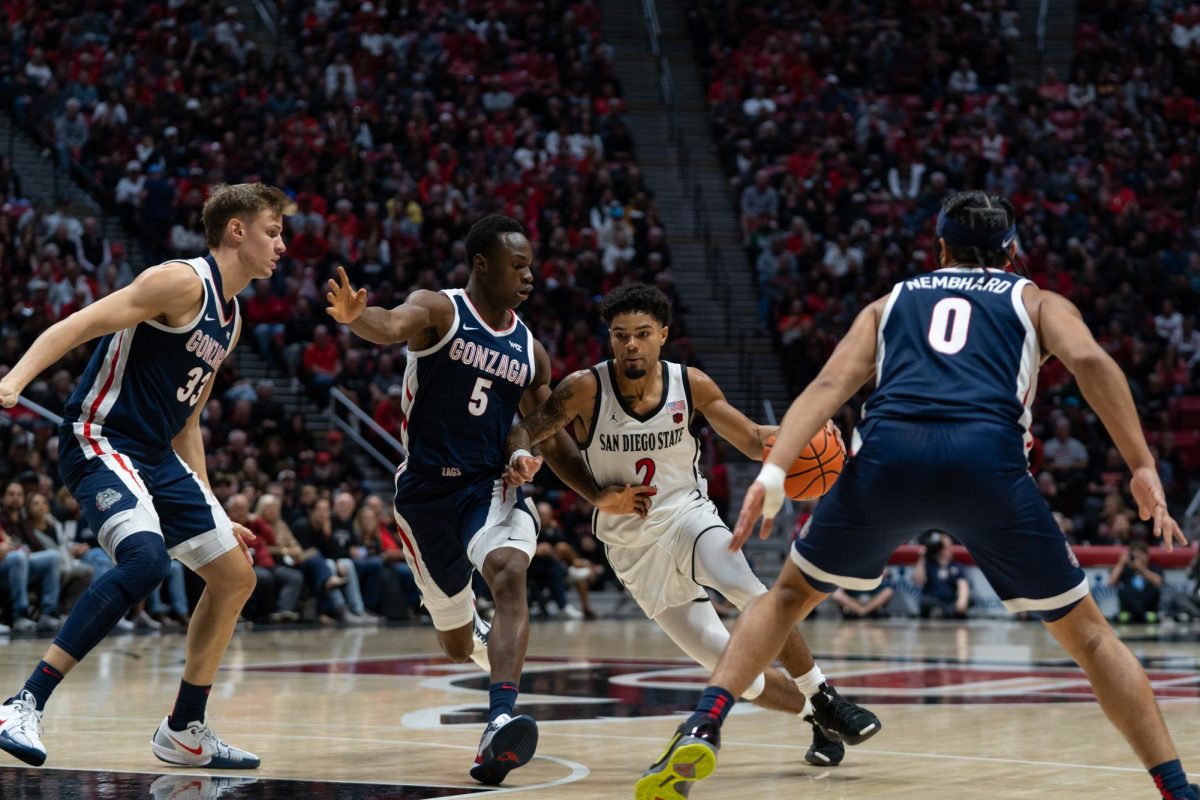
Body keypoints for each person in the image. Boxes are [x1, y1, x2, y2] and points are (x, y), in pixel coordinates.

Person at [640, 191, 1198, 800]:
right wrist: (1141, 465)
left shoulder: (891, 302)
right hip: (987, 461)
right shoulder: (1034, 298)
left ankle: (706, 720)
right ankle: (1175, 788)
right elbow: (1090, 359)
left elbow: (830, 384)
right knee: (1089, 636)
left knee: (787, 598)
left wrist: (772, 475)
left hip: (889, 457)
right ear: (1011, 253)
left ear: (939, 249)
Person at [324, 214, 645, 786]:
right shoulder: (439, 310)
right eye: (516, 266)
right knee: (452, 643)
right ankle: (476, 641)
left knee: (508, 573)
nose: (528, 277)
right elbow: (389, 322)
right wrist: (356, 318)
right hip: (423, 495)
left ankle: (500, 717)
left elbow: (552, 433)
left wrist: (597, 494)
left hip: (487, 486)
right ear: (482, 265)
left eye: (530, 267)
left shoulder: (530, 351)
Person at [505, 282, 880, 770]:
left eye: (642, 333)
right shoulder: (583, 388)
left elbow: (750, 439)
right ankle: (816, 717)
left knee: (746, 587)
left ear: (663, 334)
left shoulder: (692, 384)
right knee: (738, 674)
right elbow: (527, 430)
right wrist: (559, 475)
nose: (631, 345)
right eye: (620, 336)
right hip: (632, 548)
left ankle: (824, 694)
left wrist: (795, 437)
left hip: (689, 515)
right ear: (610, 339)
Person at [0, 182, 294, 769]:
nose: (282, 245)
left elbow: (187, 421)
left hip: (157, 453)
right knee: (146, 560)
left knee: (235, 578)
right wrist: (14, 380)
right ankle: (22, 702)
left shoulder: (231, 318)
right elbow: (79, 325)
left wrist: (210, 505)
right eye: (273, 231)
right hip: (100, 436)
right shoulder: (180, 281)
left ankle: (184, 729)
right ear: (236, 230)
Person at [912, 532, 971, 619]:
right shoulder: (929, 564)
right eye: (942, 546)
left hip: (951, 601)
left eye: (947, 546)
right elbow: (919, 580)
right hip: (933, 600)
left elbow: (963, 584)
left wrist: (962, 600)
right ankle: (947, 613)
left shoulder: (956, 566)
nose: (945, 549)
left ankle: (943, 613)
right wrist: (922, 557)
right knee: (924, 601)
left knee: (971, 599)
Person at [1107, 539, 1163, 624]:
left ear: (1147, 556)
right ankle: (1134, 615)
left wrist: (1141, 568)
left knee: (1154, 590)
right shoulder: (1125, 569)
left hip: (1147, 606)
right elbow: (1111, 582)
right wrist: (1121, 563)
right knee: (1123, 590)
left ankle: (1143, 614)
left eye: (1141, 554)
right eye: (1135, 555)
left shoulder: (1153, 567)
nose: (1138, 558)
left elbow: (1158, 582)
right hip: (1129, 608)